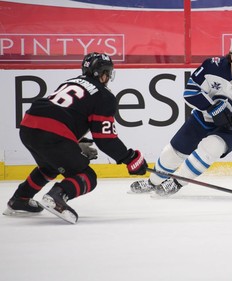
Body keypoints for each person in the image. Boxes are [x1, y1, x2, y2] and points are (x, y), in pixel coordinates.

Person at [130, 37, 232, 196]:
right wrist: (213, 109)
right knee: (173, 152)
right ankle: (153, 182)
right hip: (203, 119)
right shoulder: (212, 67)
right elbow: (190, 91)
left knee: (211, 148)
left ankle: (176, 183)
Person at [3, 52, 148, 223]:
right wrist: (130, 158)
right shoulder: (104, 96)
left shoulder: (70, 81)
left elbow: (63, 113)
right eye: (107, 72)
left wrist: (73, 143)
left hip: (28, 126)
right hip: (53, 133)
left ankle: (20, 199)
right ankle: (57, 196)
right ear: (102, 74)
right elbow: (105, 139)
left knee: (50, 166)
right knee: (87, 176)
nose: (108, 77)